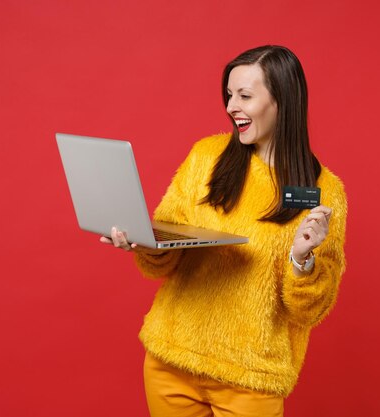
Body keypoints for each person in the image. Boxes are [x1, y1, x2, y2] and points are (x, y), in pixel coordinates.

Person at [100, 45, 347, 417]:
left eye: (245, 96)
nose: (232, 106)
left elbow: (309, 311)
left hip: (251, 376)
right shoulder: (205, 157)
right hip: (171, 361)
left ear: (283, 100)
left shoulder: (325, 192)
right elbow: (162, 261)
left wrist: (302, 259)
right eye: (229, 95)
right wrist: (143, 243)